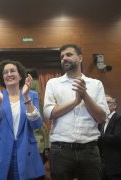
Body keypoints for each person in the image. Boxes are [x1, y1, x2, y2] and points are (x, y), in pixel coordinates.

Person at [43, 44, 109, 180]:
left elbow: (102, 117)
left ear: (80, 58)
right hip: (60, 149)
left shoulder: (95, 84)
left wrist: (85, 95)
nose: (64, 58)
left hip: (89, 149)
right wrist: (75, 102)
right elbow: (49, 113)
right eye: (62, 57)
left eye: (68, 54)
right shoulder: (53, 83)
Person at [0, 59, 45, 179]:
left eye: (12, 71)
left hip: (24, 151)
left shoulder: (31, 94)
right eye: (5, 72)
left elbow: (37, 124)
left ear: (20, 75)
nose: (9, 74)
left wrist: (26, 97)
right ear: (2, 77)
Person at [98, 94, 121, 180]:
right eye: (102, 103)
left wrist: (98, 136)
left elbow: (119, 139)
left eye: (107, 102)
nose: (104, 105)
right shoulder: (101, 122)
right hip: (103, 167)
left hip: (118, 167)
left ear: (114, 105)